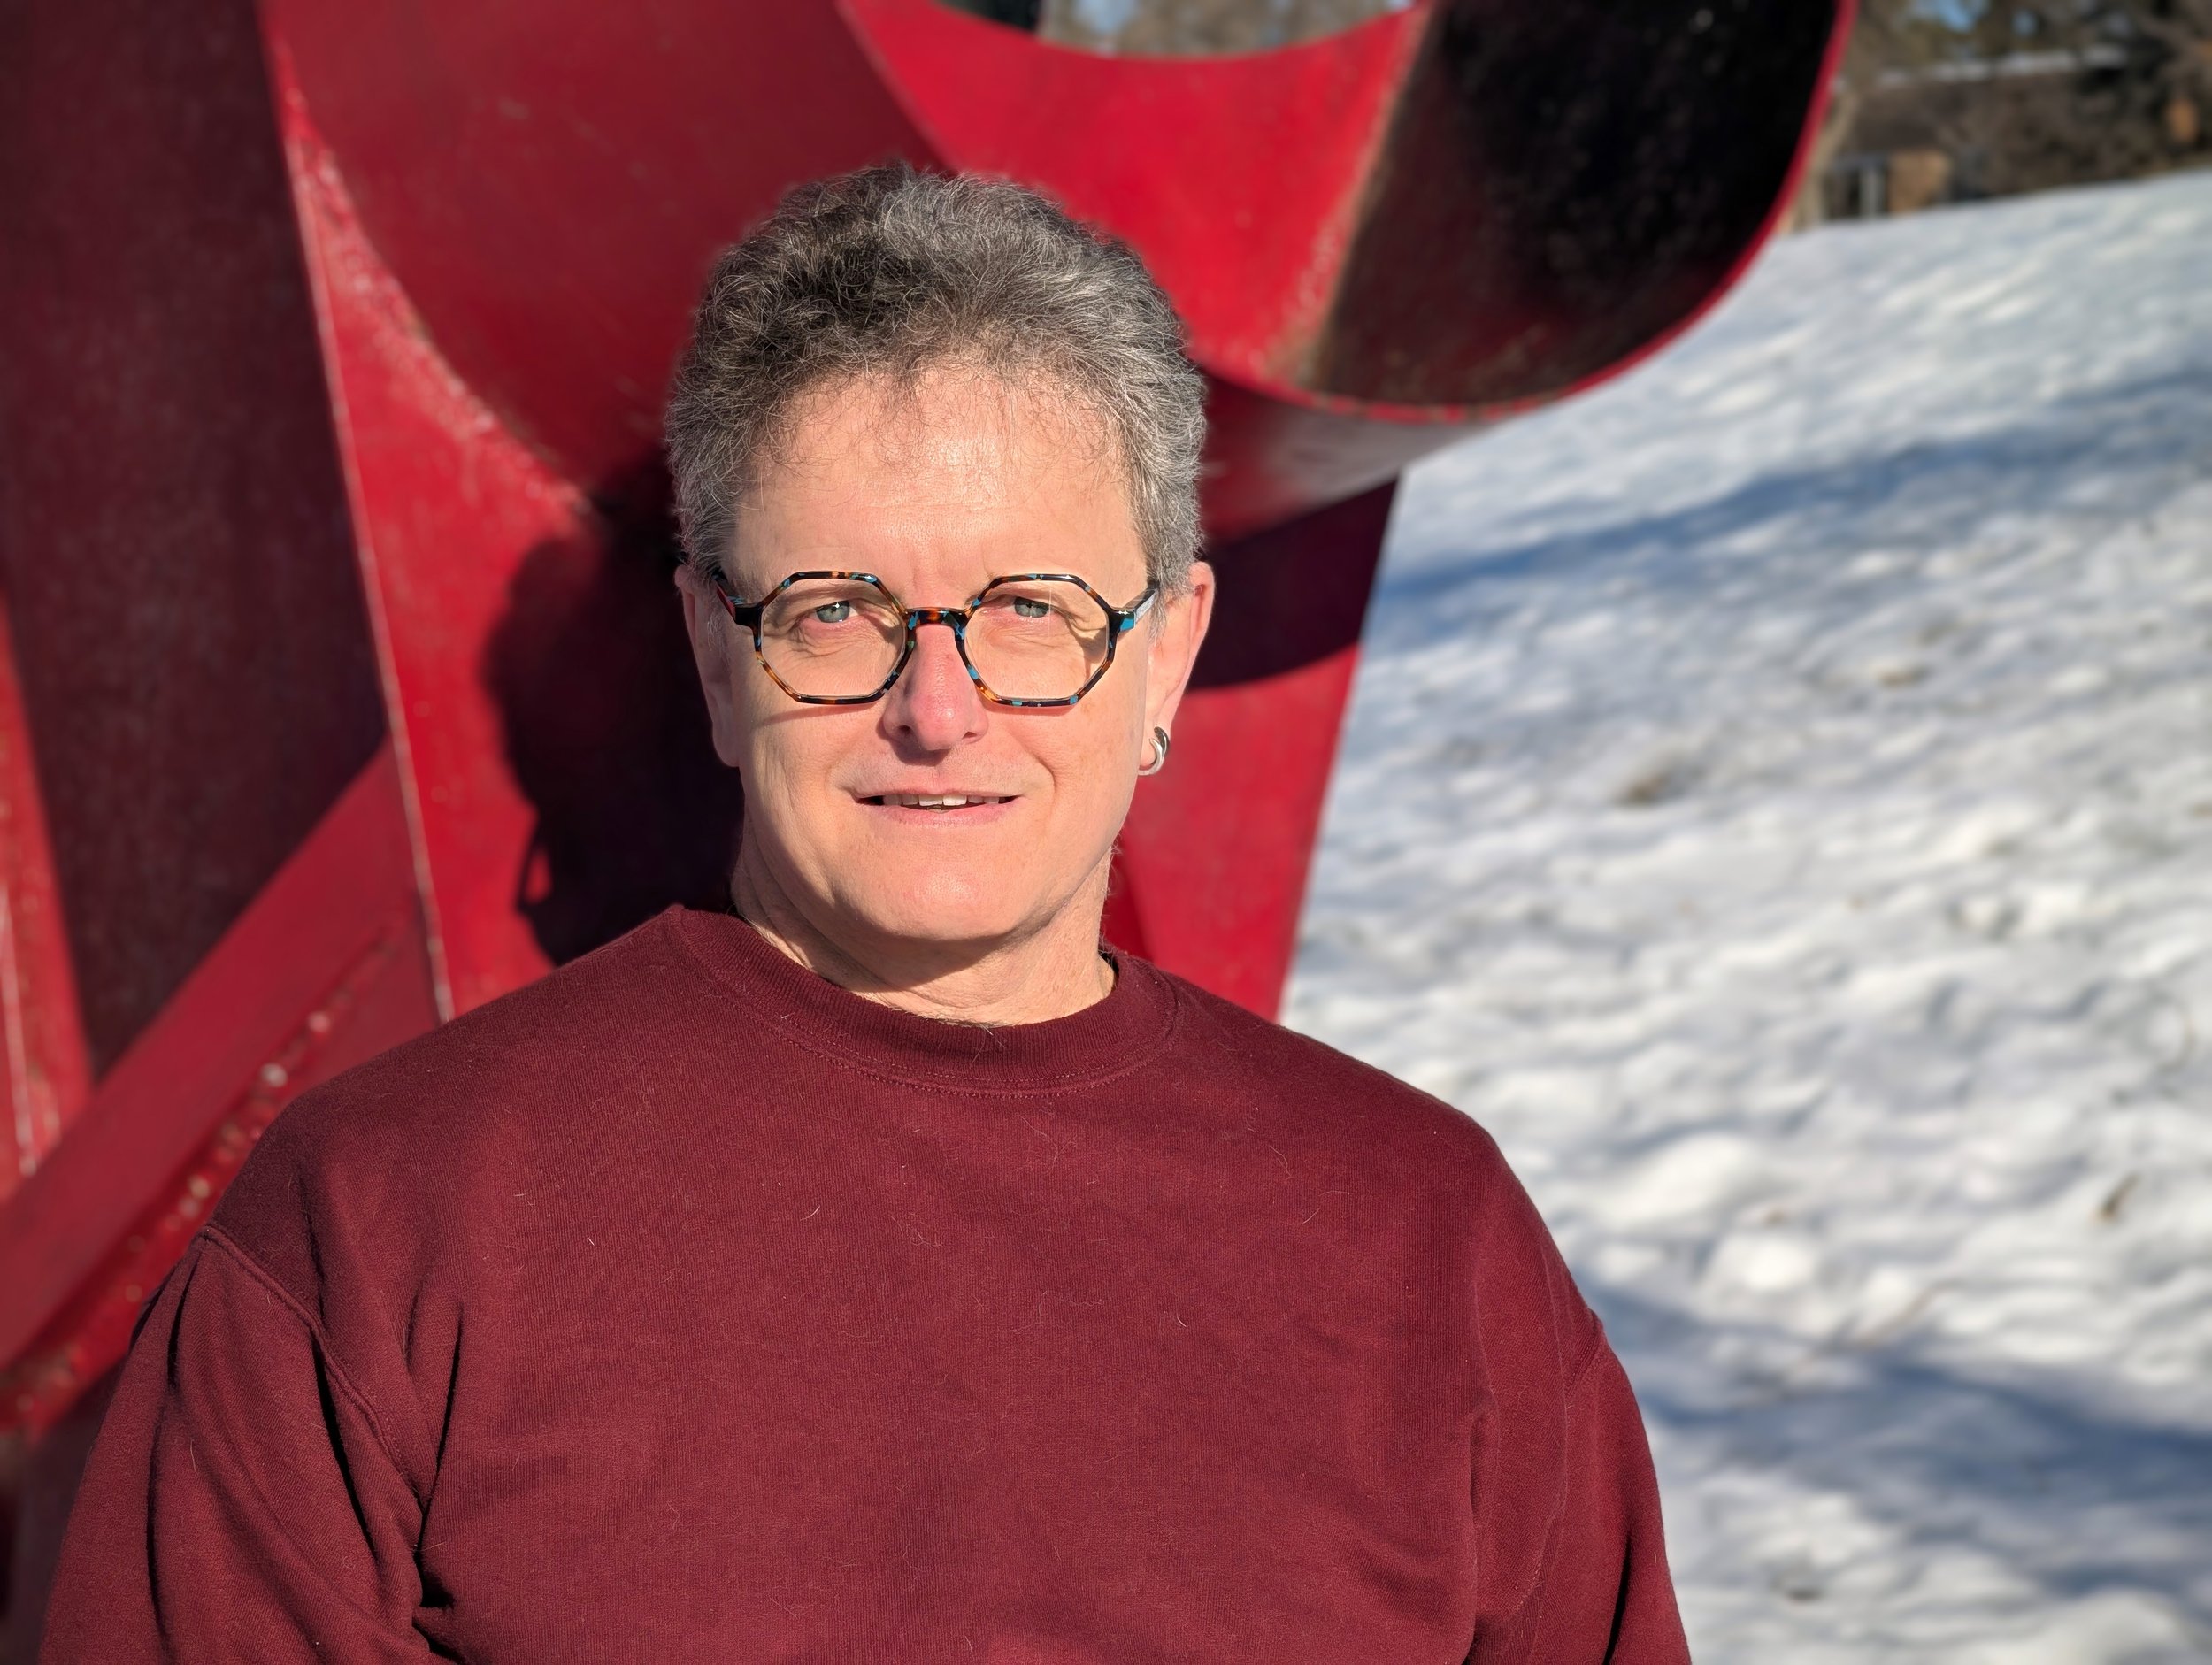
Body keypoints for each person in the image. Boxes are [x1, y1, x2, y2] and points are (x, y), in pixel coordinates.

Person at [42, 165, 1688, 1663]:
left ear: (1169, 649)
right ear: (712, 650)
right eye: (837, 611)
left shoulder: (1425, 1241)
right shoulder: (387, 1224)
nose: (938, 706)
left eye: (1034, 610)